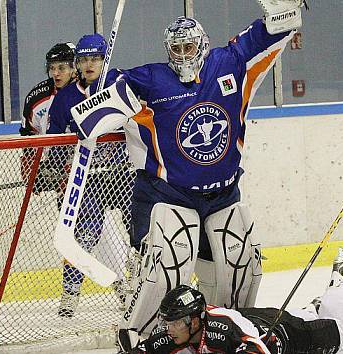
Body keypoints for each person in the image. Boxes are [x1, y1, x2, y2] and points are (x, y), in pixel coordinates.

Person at [65, 1, 308, 347]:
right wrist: (97, 94)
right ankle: (139, 338)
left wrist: (283, 12)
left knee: (238, 264)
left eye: (188, 47)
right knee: (168, 267)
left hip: (223, 194)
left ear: (203, 45)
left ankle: (227, 336)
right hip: (170, 194)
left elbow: (268, 35)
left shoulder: (231, 63)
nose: (182, 54)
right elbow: (99, 104)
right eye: (175, 48)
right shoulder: (150, 79)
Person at [129, 247, 343, 353]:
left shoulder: (222, 330)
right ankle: (313, 307)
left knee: (335, 330)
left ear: (195, 320)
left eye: (176, 322)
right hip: (255, 319)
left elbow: (257, 350)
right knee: (302, 315)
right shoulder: (176, 332)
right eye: (168, 322)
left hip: (286, 335)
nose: (169, 328)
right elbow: (144, 350)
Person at [47, 33, 132, 317]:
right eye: (83, 59)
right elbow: (53, 141)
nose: (88, 64)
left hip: (122, 174)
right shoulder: (64, 100)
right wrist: (54, 166)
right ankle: (70, 296)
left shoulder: (120, 85)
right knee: (84, 235)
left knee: (140, 231)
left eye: (94, 58)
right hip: (87, 179)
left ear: (104, 59)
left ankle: (135, 290)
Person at [21, 42, 76, 136]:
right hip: (48, 150)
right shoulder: (37, 97)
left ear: (75, 68)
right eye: (52, 68)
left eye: (61, 68)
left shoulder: (87, 91)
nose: (55, 73)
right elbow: (27, 136)